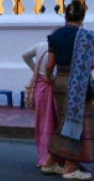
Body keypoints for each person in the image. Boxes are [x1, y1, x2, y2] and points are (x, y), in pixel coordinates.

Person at [44, 0, 94, 180]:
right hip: (78, 84)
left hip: (59, 80)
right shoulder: (87, 37)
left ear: (65, 16)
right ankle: (69, 167)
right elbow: (91, 63)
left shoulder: (56, 35)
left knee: (63, 122)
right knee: (76, 123)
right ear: (82, 17)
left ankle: (50, 162)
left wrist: (51, 79)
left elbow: (49, 65)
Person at [22, 40, 58, 171]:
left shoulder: (40, 45)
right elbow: (53, 70)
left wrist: (34, 69)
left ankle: (42, 157)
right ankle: (51, 158)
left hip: (40, 87)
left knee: (42, 124)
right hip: (52, 87)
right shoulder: (59, 47)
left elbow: (25, 55)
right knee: (53, 123)